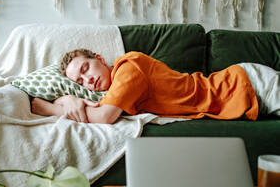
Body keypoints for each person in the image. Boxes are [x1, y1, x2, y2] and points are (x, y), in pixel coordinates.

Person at [31, 49, 280, 124]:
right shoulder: (112, 90)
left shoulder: (129, 68)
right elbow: (94, 109)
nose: (88, 82)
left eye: (85, 70)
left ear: (98, 59)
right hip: (241, 90)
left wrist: (51, 109)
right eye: (79, 83)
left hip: (248, 84)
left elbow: (104, 116)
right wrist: (69, 100)